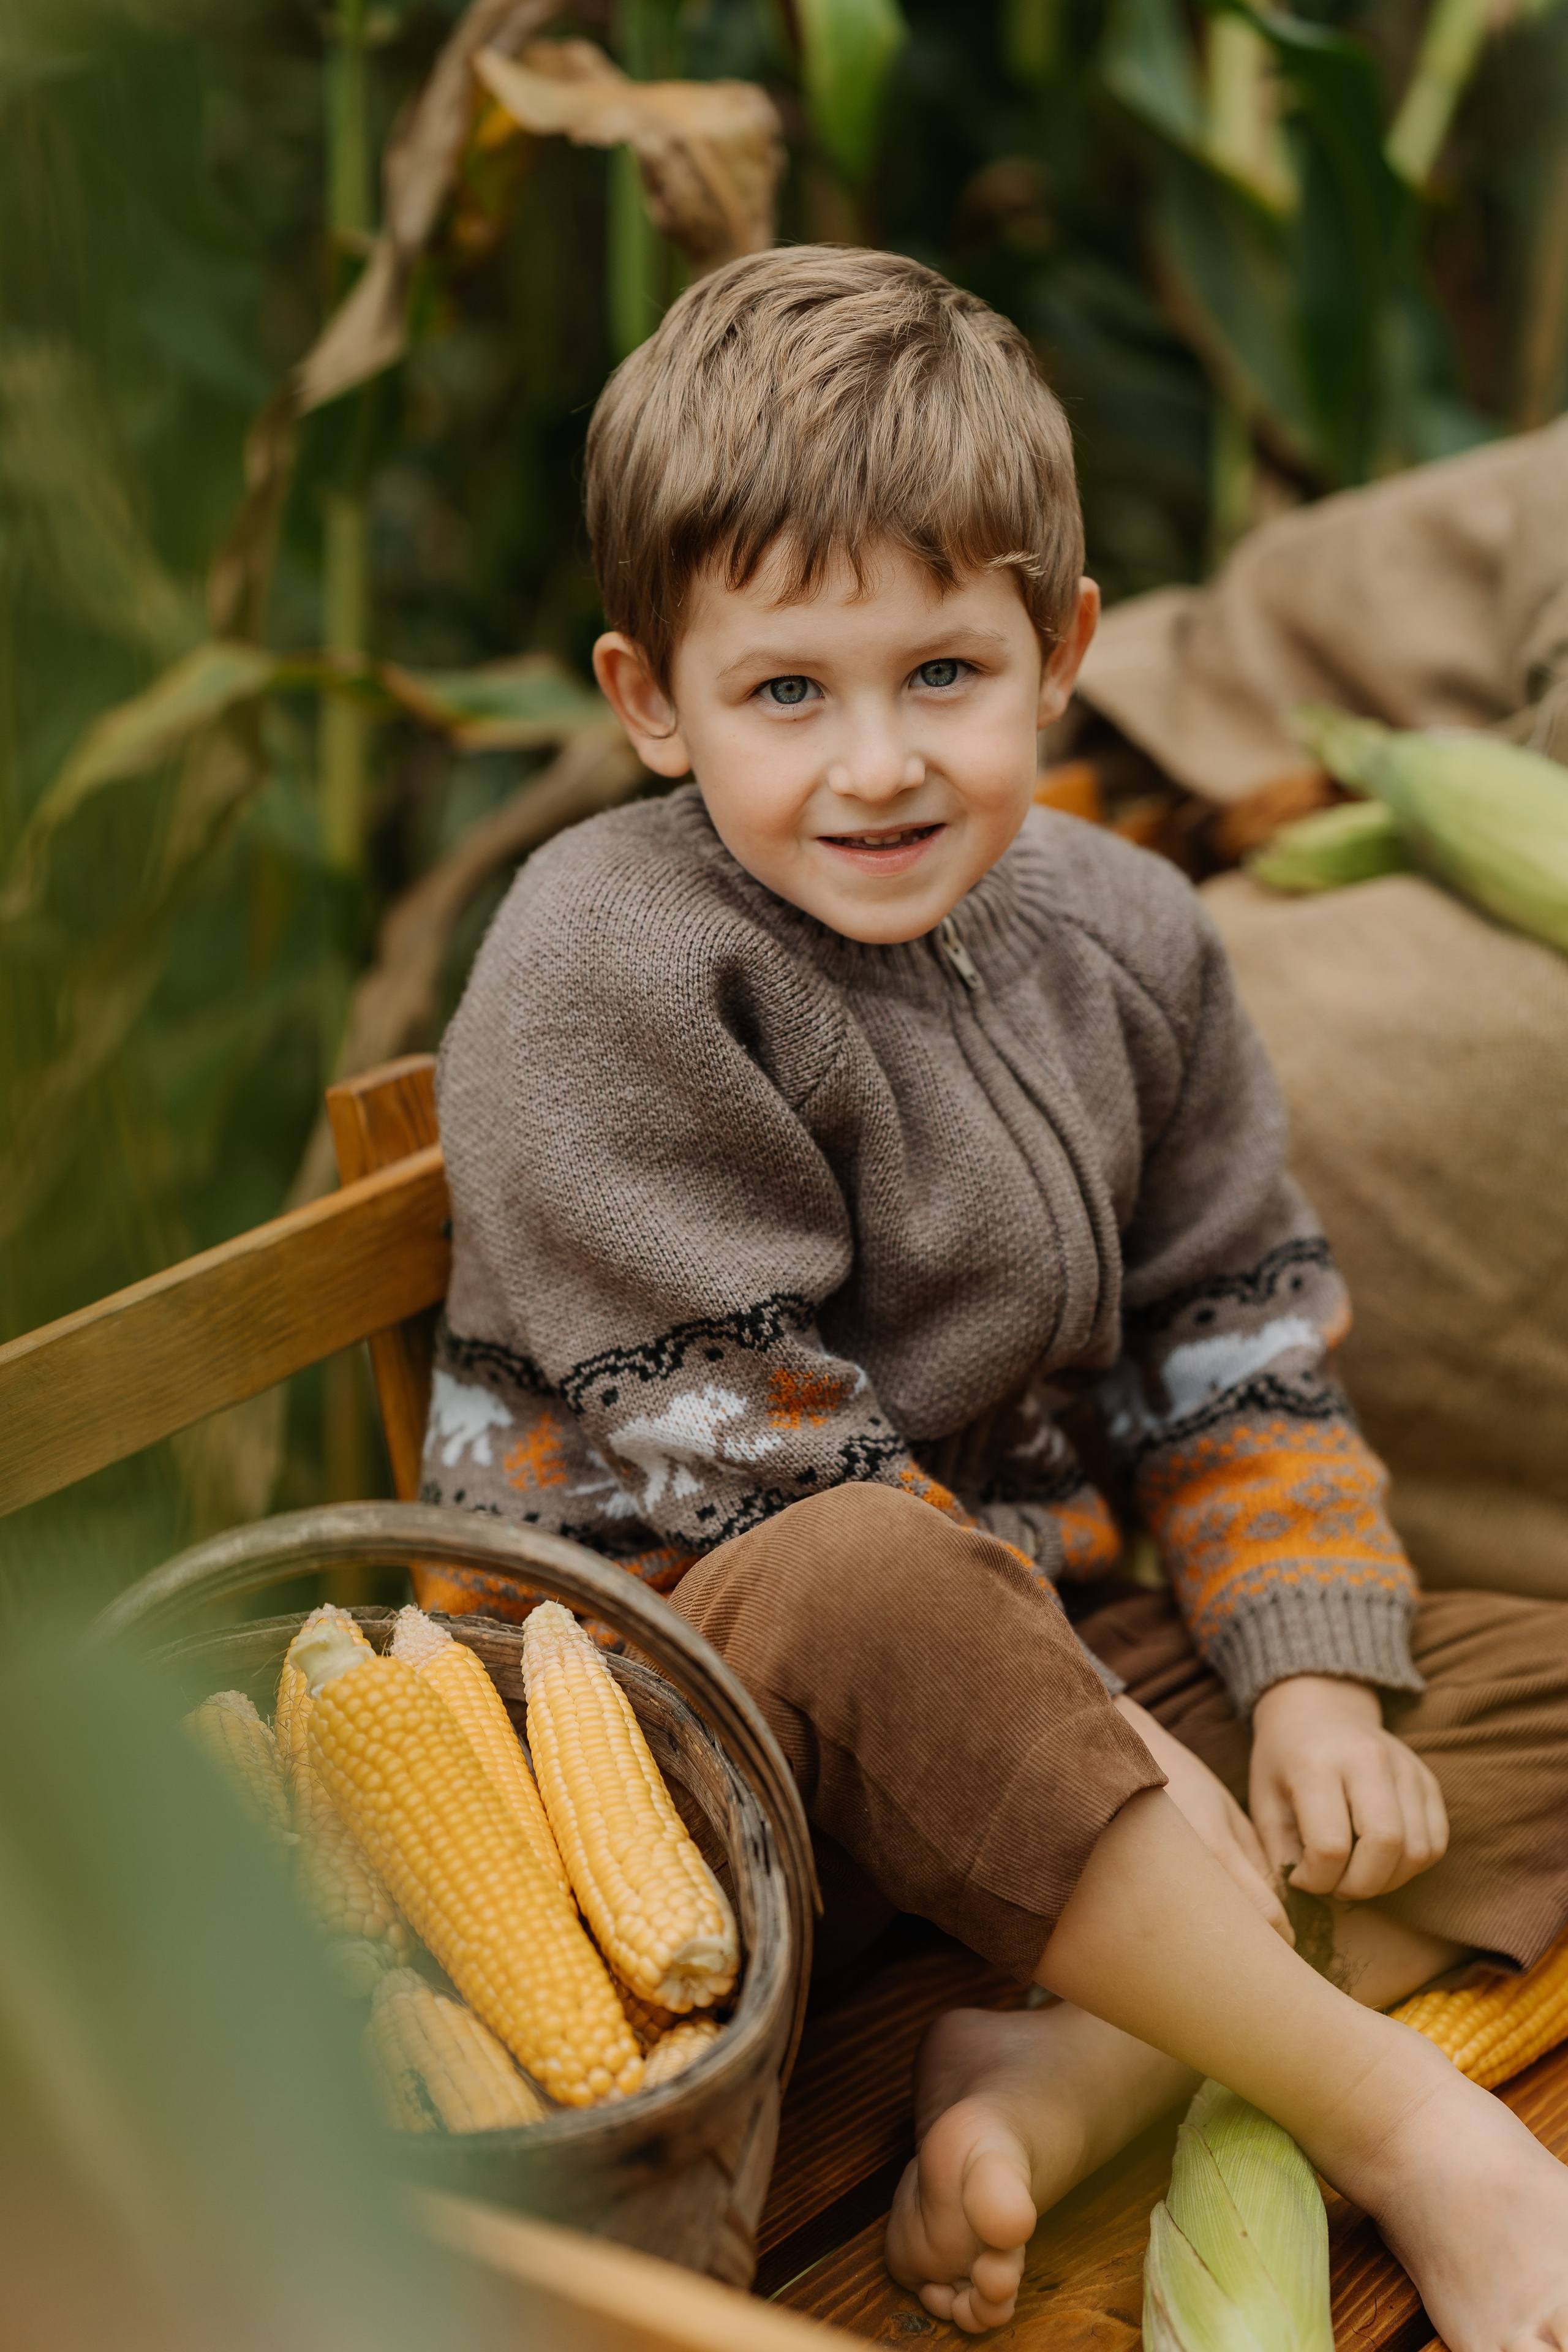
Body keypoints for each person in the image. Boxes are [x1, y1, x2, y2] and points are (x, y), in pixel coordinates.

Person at [420, 246, 1568, 2343]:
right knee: (865, 1562)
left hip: (1040, 1677)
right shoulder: (609, 969)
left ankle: (1076, 2064)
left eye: (942, 674)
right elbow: (743, 1461)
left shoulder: (1128, 936)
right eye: (788, 693)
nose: (878, 765)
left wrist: (1308, 1668)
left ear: (1062, 651)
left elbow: (1225, 1326)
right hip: (691, 1731)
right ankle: (1410, 2125)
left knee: (1527, 1693)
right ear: (649, 699)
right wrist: (1114, 1747)